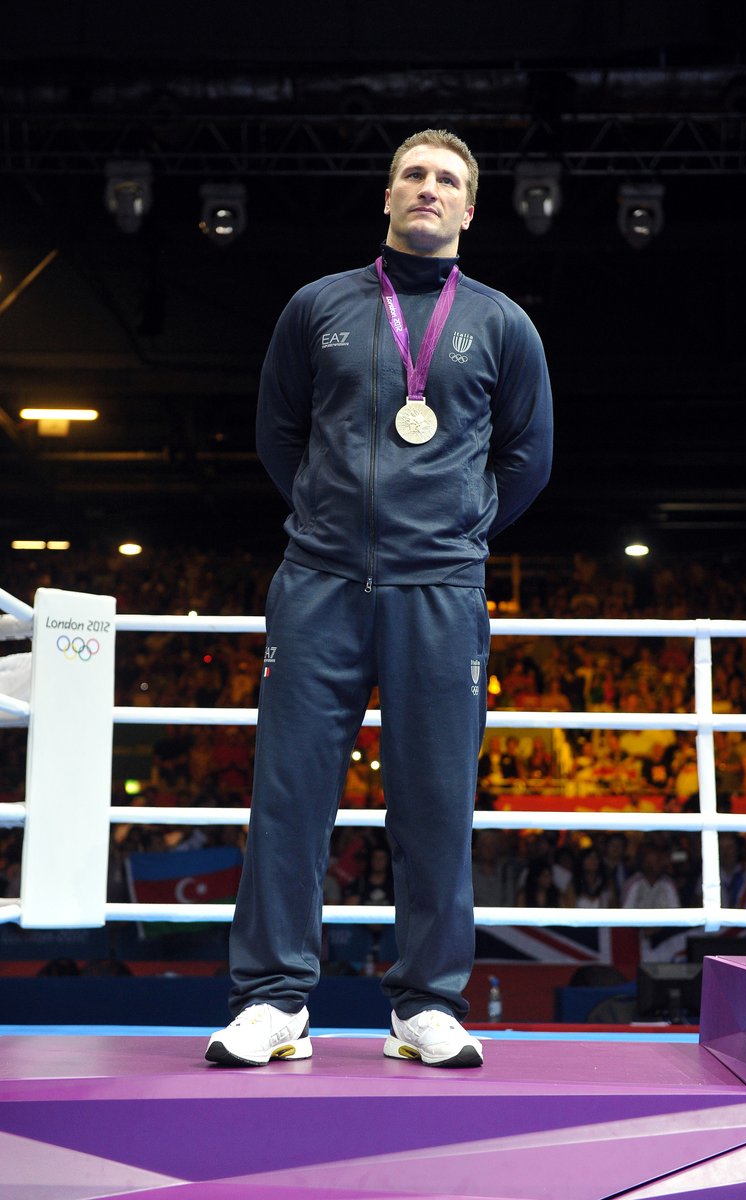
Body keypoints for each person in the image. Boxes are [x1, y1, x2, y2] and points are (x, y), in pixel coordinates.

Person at [206, 128, 552, 1070]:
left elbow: (528, 458)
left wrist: (455, 532)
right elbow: (280, 433)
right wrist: (327, 522)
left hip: (439, 590)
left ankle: (427, 1004)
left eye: (447, 179)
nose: (428, 189)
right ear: (388, 195)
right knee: (289, 795)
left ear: (470, 208)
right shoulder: (316, 306)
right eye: (413, 174)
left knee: (435, 802)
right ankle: (274, 1000)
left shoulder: (503, 323)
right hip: (318, 584)